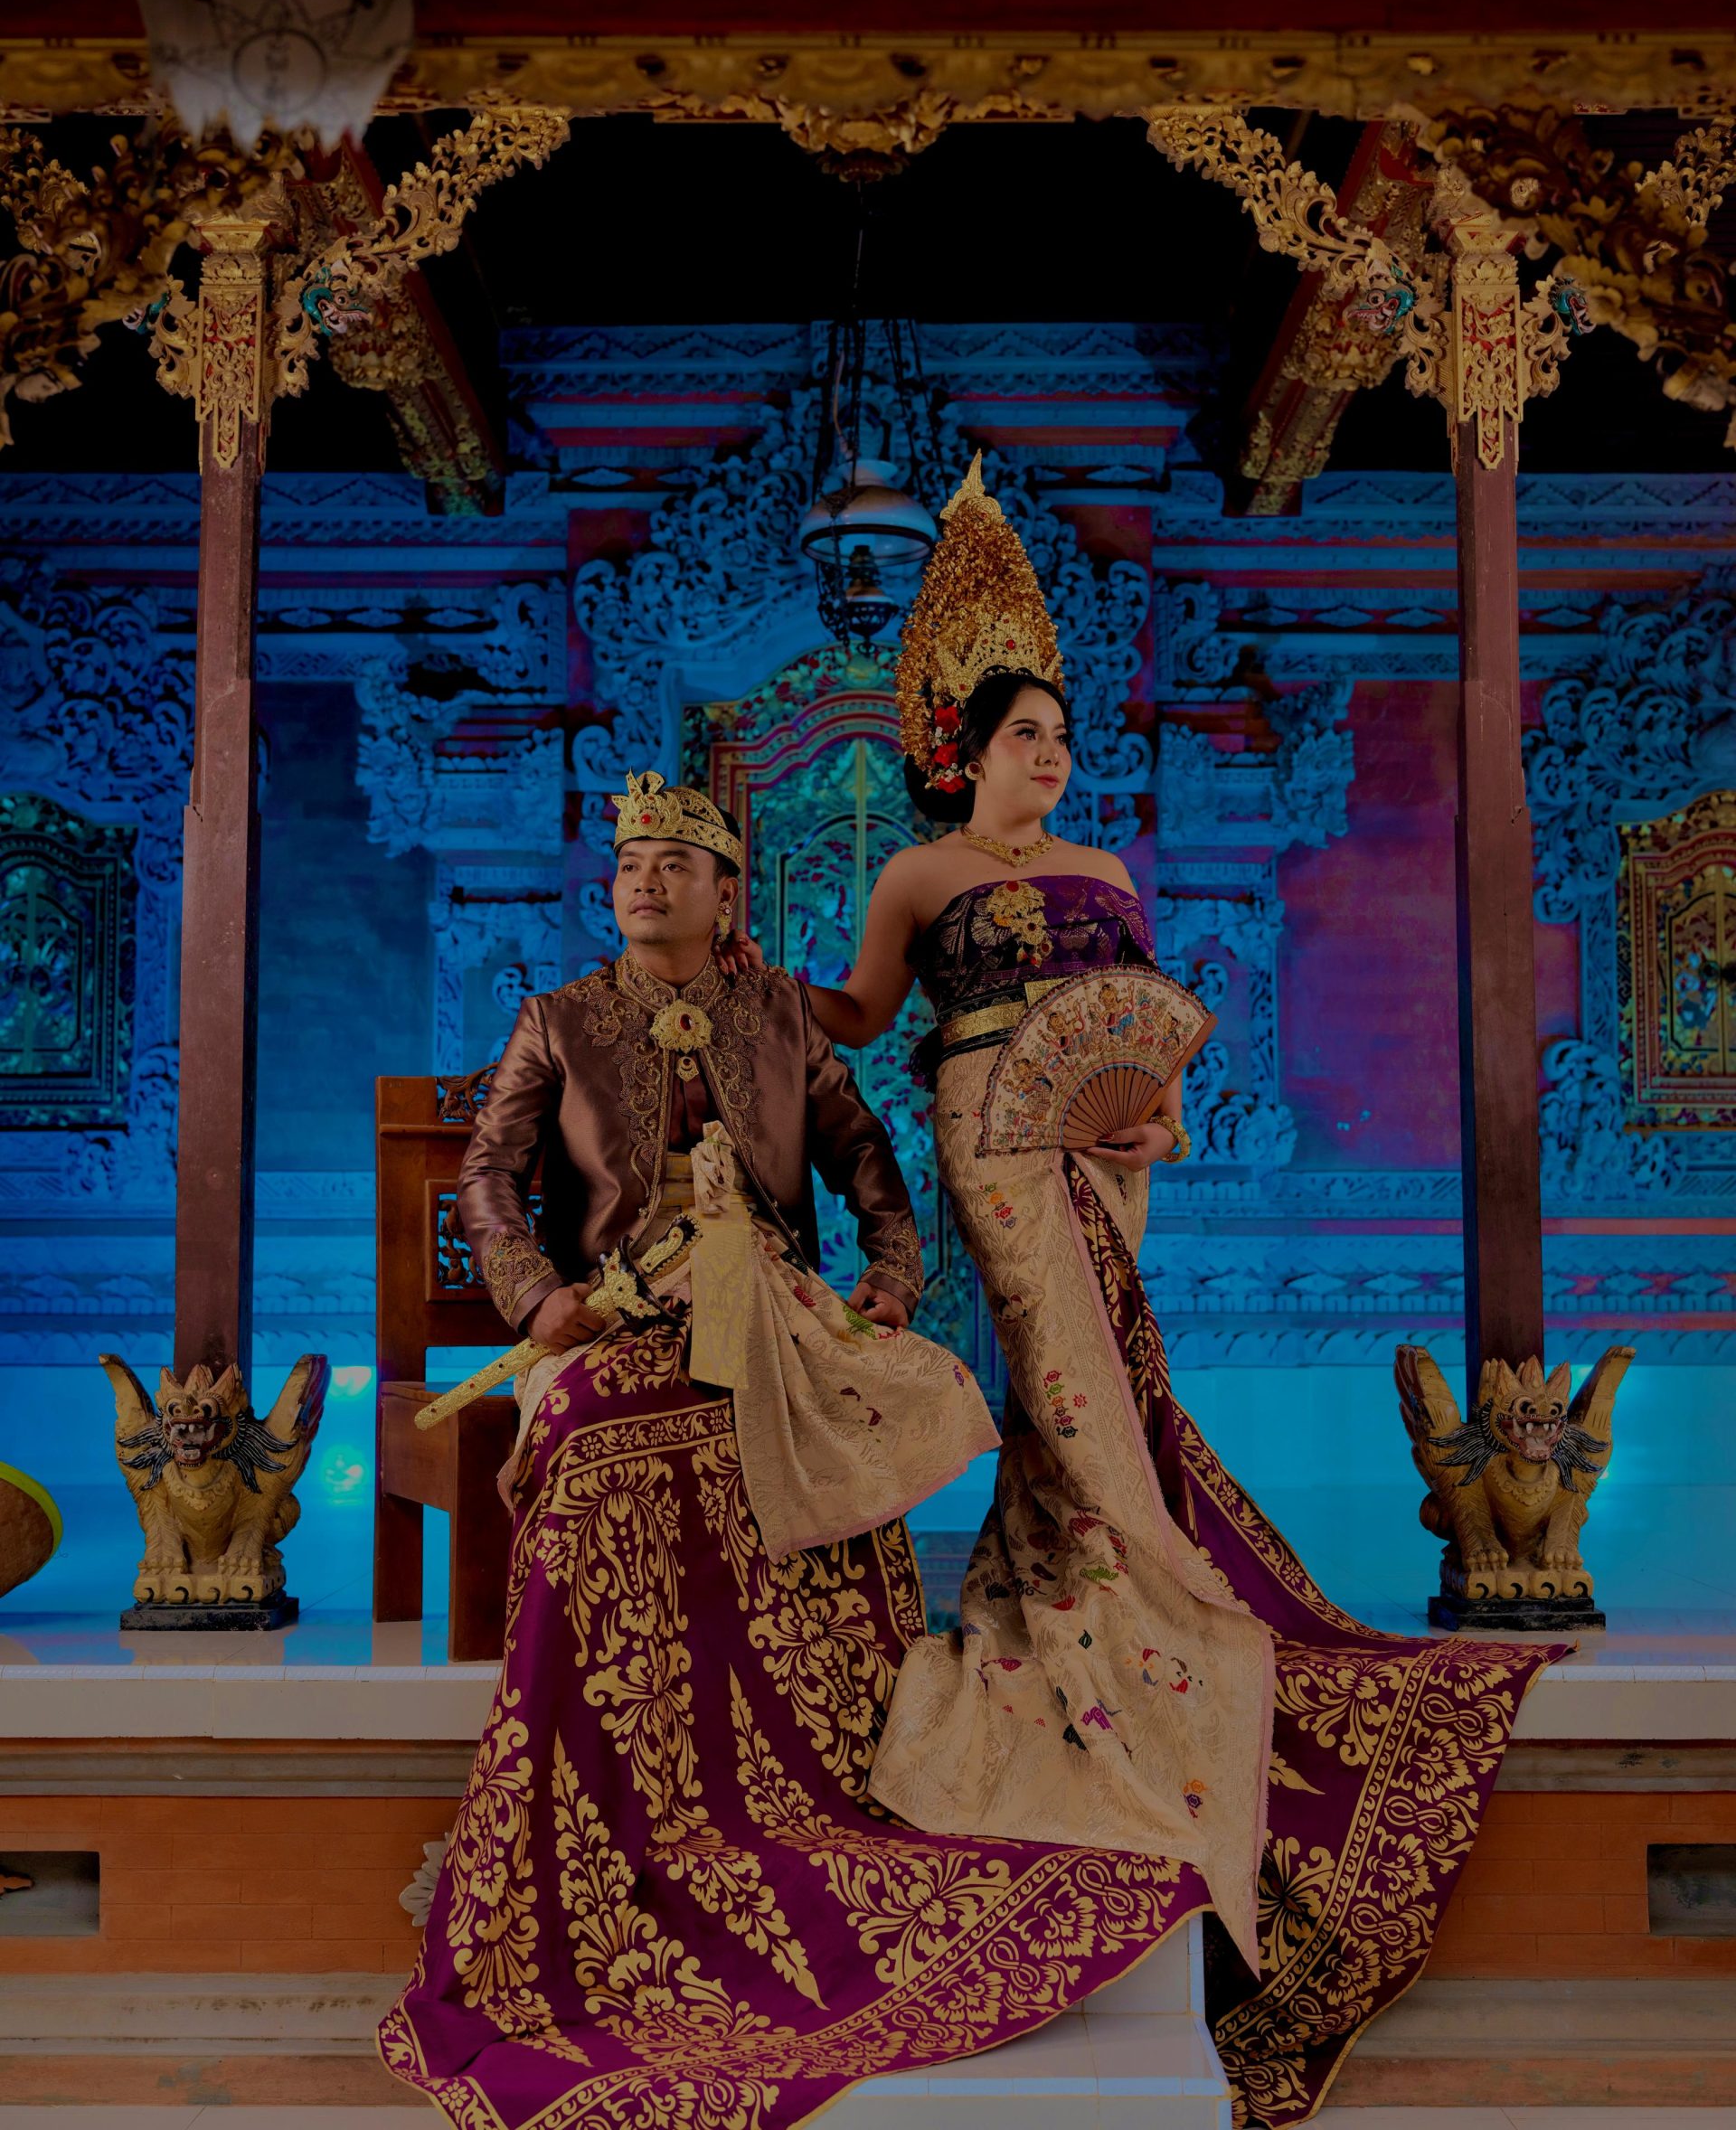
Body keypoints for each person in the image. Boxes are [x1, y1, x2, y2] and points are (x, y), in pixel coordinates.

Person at [738, 457, 1568, 2127]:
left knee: (1107, 1363)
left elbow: (1144, 1031)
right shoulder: (917, 877)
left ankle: (1083, 1581)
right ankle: (1141, 1580)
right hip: (985, 1125)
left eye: (1060, 737)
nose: (1050, 757)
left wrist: (1156, 1116)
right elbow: (868, 1016)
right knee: (1056, 1356)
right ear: (965, 747)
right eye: (1023, 736)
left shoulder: (1109, 871)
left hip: (1103, 1142)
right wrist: (760, 985)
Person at [381, 770, 1203, 2130]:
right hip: (618, 1321)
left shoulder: (779, 1016)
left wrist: (891, 1269)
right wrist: (535, 1297)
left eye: (674, 865)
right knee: (601, 1452)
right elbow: (488, 1172)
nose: (645, 881)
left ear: (724, 895)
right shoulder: (559, 1021)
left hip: (775, 1317)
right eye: (630, 864)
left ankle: (831, 1773)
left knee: (875, 1418)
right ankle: (617, 1806)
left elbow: (867, 1156)